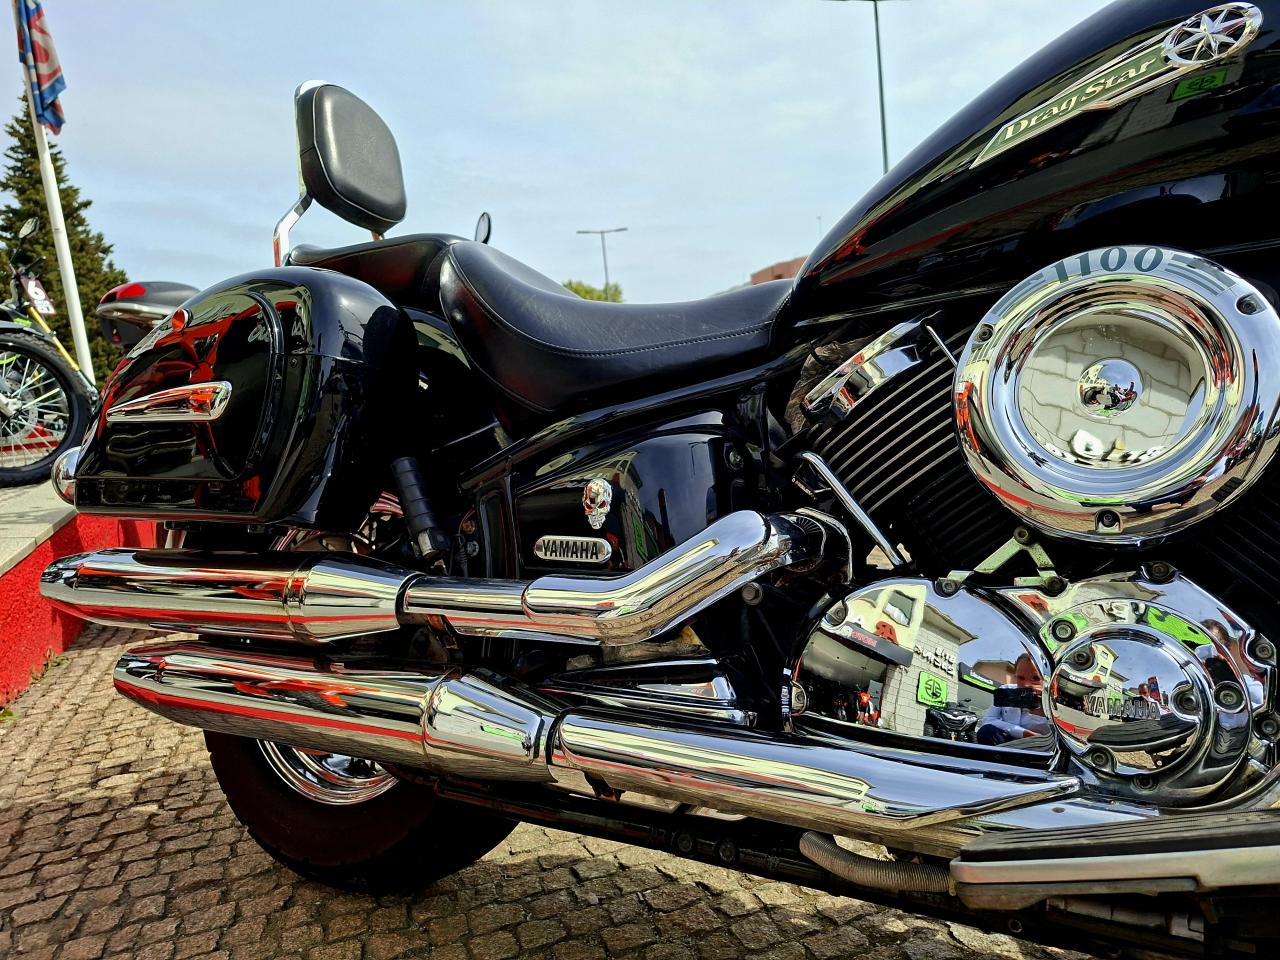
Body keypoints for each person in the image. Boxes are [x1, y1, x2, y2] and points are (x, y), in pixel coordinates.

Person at [976, 653, 1052, 745]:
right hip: (1005, 741)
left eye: (1035, 678)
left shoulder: (1052, 701)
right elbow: (988, 720)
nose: (1026, 684)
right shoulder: (1006, 690)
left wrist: (1046, 712)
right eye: (1021, 678)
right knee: (986, 732)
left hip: (1037, 746)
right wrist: (1024, 733)